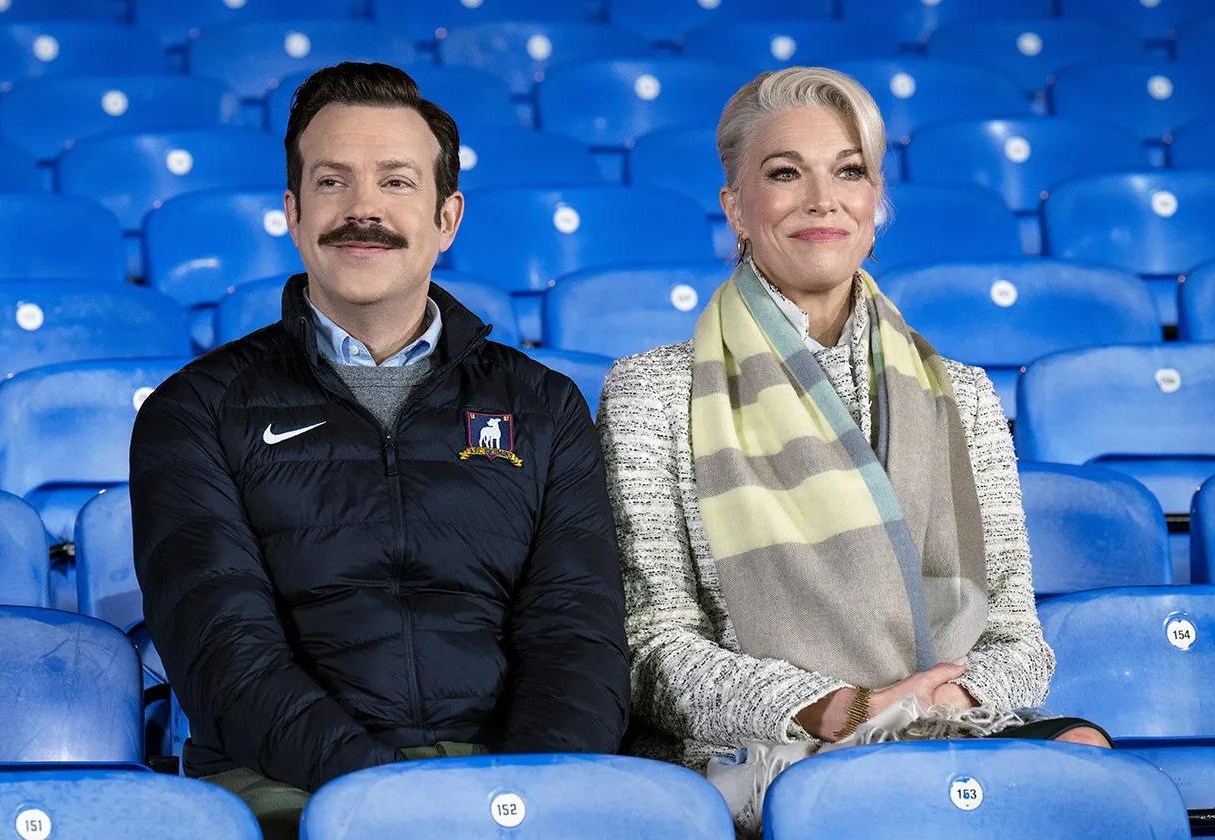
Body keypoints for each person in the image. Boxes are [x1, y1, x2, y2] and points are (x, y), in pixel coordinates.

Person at [596, 66, 1108, 831]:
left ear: (875, 207)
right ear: (735, 206)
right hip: (758, 751)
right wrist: (846, 709)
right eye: (783, 174)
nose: (821, 198)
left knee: (1085, 757)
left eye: (849, 171)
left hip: (941, 730)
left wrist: (941, 701)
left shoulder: (961, 393)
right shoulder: (651, 392)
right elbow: (655, 651)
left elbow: (1015, 634)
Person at [131, 62, 629, 840]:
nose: (362, 209)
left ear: (447, 217)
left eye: (395, 182)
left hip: (517, 789)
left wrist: (526, 797)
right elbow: (226, 655)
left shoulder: (544, 407)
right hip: (288, 788)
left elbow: (578, 638)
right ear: (294, 214)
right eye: (332, 183)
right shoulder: (194, 411)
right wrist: (394, 802)